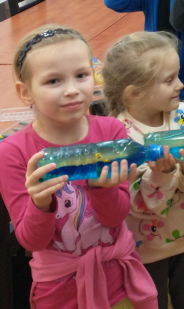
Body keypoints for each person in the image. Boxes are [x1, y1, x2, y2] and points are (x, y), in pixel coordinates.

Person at [0, 25, 157, 309]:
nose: (72, 90)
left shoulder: (111, 132)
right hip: (58, 292)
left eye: (81, 75)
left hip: (118, 283)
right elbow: (32, 242)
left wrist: (101, 187)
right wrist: (40, 204)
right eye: (54, 81)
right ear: (26, 92)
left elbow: (116, 217)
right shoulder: (12, 152)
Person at [102, 31, 184, 309]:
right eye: (169, 80)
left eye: (178, 75)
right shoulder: (120, 135)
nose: (180, 84)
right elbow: (134, 204)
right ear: (134, 93)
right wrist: (162, 175)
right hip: (145, 251)